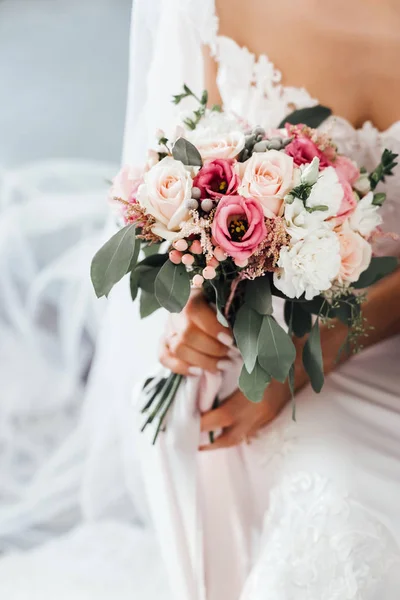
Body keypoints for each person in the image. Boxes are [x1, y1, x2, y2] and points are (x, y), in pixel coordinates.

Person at [0, 1, 399, 599]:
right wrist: (198, 300)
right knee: (205, 400)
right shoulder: (210, 8)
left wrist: (313, 354)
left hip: (360, 345)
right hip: (275, 329)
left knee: (341, 505)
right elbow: (195, 180)